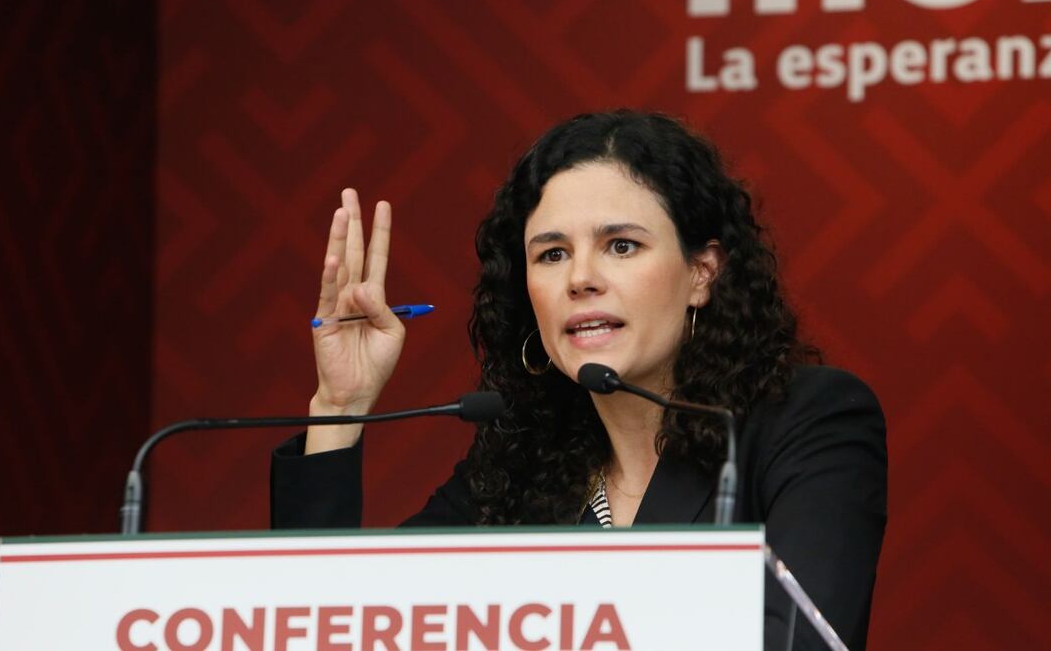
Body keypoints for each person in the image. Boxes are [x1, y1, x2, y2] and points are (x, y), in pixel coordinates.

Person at [271, 110, 887, 650]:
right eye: (552, 254)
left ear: (702, 272)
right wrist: (340, 406)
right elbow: (330, 624)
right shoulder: (519, 456)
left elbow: (794, 641)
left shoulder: (808, 420)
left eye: (620, 246)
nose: (580, 279)